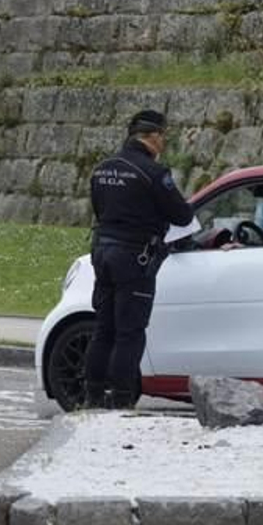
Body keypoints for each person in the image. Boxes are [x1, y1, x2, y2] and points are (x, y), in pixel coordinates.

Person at [82, 110, 195, 410]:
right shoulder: (153, 173)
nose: (164, 142)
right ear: (152, 136)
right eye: (163, 136)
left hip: (102, 251)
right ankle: (121, 400)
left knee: (103, 327)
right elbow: (183, 215)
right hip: (135, 257)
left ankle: (92, 395)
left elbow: (99, 208)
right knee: (129, 332)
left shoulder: (102, 168)